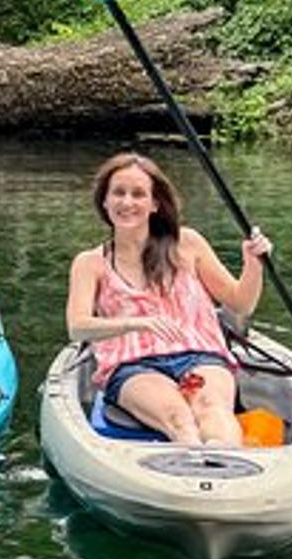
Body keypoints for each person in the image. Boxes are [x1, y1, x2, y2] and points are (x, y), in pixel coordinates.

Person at [65, 151, 271, 447]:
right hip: (133, 365)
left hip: (201, 355)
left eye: (138, 194)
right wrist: (136, 324)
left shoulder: (188, 243)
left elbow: (241, 304)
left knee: (212, 410)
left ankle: (227, 474)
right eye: (118, 193)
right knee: (179, 418)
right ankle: (191, 479)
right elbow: (78, 328)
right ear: (105, 202)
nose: (127, 202)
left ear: (154, 204)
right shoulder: (90, 263)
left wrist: (253, 264)